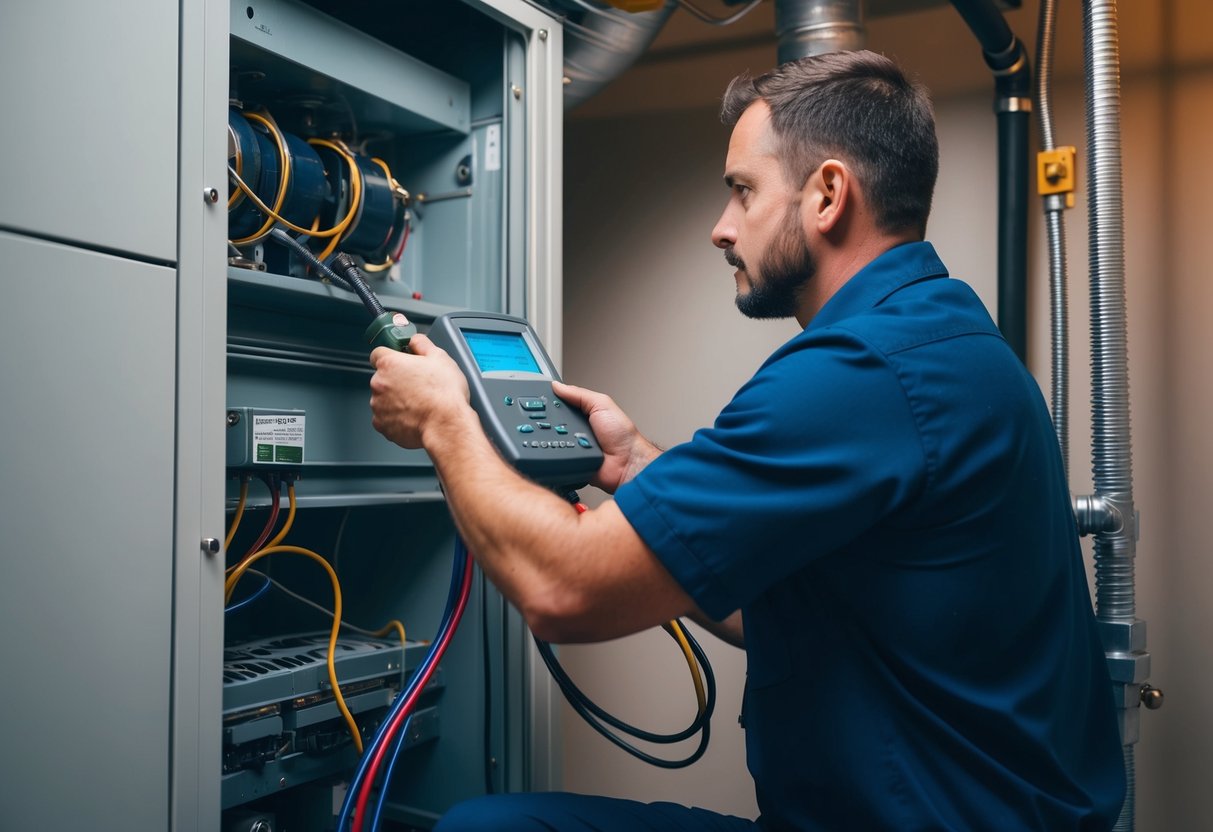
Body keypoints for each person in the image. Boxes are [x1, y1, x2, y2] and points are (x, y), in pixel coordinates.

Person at [368, 50, 1126, 831]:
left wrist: (443, 420)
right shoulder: (940, 337)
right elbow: (797, 615)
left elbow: (565, 591)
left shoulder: (861, 373)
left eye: (741, 191)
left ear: (828, 193)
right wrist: (634, 469)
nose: (720, 228)